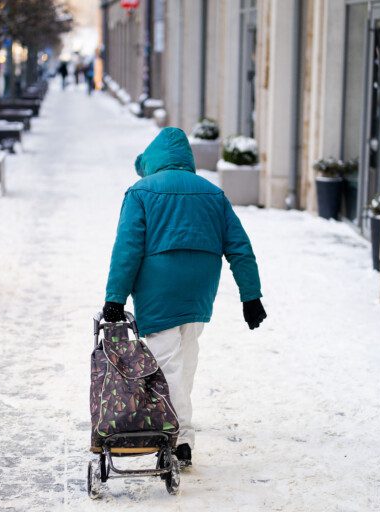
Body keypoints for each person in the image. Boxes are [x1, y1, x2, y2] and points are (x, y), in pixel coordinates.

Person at [102, 127, 267, 468]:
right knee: (186, 357)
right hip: (199, 290)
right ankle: (183, 439)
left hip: (158, 288)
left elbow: (128, 248)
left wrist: (115, 297)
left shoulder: (140, 192)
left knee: (165, 363)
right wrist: (250, 296)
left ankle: (177, 435)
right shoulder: (212, 193)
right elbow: (240, 248)